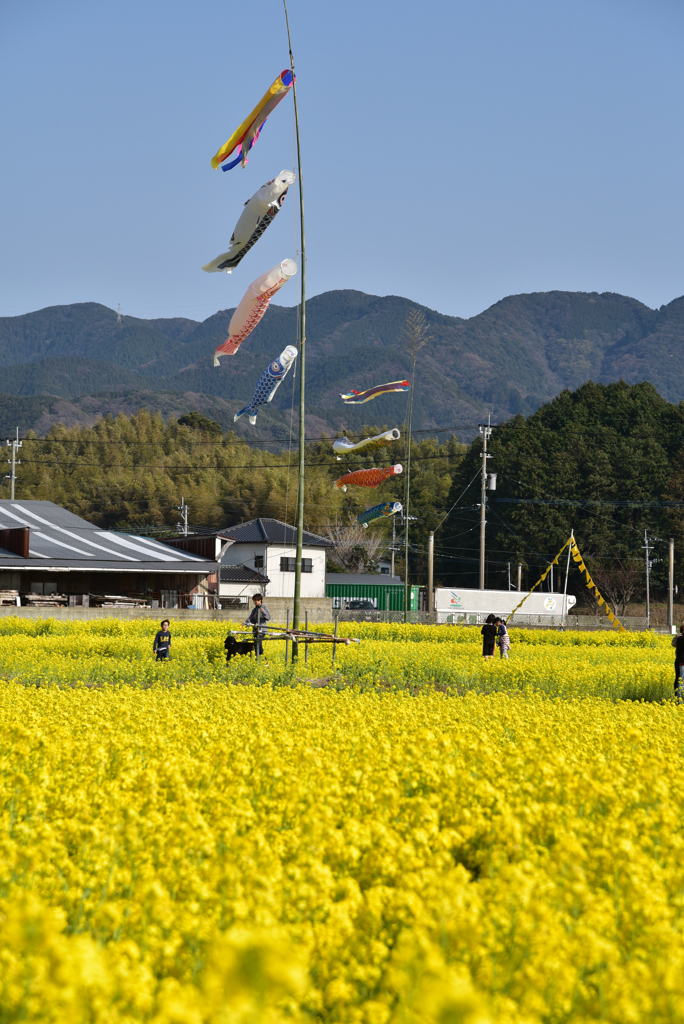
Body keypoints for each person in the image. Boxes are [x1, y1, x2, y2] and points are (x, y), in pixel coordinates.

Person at [244, 594, 271, 660]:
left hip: (262, 630)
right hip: (256, 631)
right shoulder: (254, 609)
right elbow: (251, 618)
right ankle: (259, 659)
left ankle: (263, 660)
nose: (254, 602)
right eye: (254, 601)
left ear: (260, 600)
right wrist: (246, 622)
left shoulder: (264, 608)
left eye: (255, 601)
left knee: (258, 644)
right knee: (256, 645)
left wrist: (263, 612)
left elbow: (268, 618)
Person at [671, 624, 684, 697]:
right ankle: (680, 700)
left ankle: (678, 698)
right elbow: (673, 644)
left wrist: (675, 638)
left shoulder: (678, 637)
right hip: (682, 662)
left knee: (679, 680)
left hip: (679, 661)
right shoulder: (681, 638)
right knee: (681, 681)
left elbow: (673, 644)